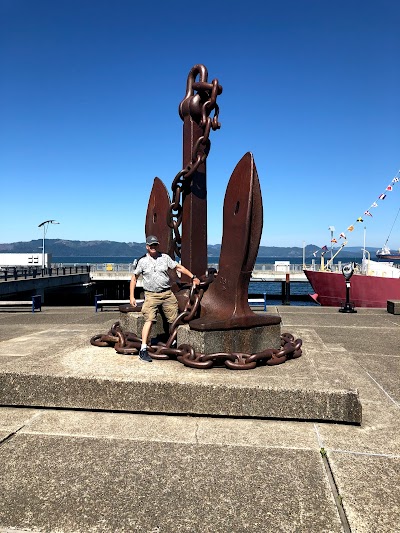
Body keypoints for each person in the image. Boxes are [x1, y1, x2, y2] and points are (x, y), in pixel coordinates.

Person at [130, 235, 200, 362]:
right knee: (149, 320)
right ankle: (143, 349)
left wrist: (192, 276)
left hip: (167, 294)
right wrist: (131, 296)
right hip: (151, 295)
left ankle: (173, 343)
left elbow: (178, 267)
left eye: (155, 245)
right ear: (147, 246)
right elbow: (134, 278)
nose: (153, 247)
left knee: (173, 320)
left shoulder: (165, 258)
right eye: (151, 245)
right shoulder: (142, 262)